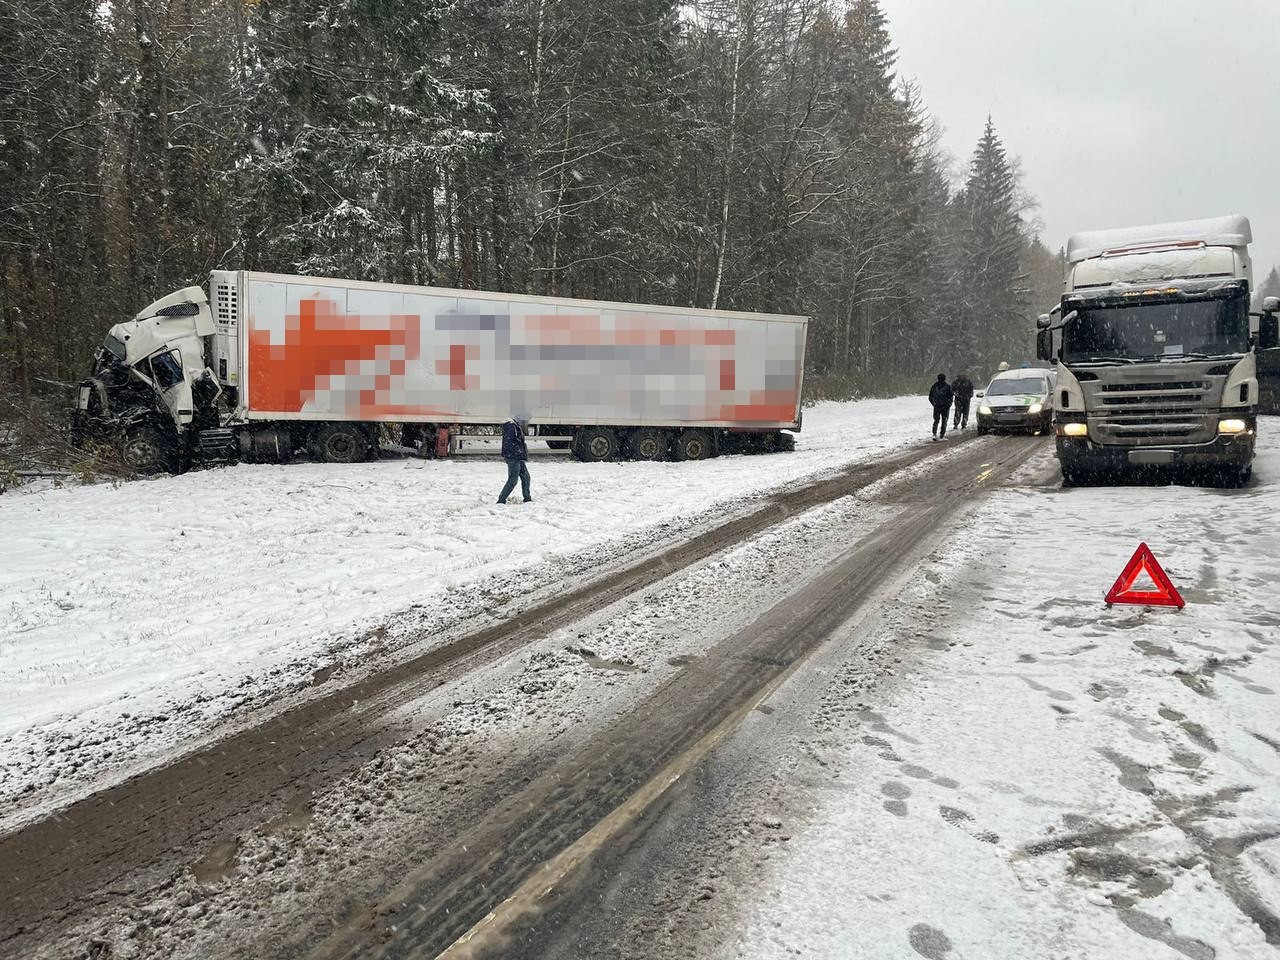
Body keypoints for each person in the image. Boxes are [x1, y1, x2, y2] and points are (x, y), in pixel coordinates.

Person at [497, 414, 532, 504]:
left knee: (526, 477)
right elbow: (508, 443)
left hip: (518, 456)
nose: (527, 422)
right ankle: (501, 500)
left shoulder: (516, 425)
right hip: (513, 457)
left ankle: (527, 498)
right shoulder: (511, 426)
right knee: (513, 480)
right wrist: (518, 452)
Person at [928, 374, 953, 441]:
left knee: (936, 420)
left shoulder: (934, 386)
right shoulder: (948, 386)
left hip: (937, 406)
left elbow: (930, 397)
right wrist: (949, 404)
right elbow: (951, 396)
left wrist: (934, 404)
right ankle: (942, 435)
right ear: (945, 378)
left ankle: (934, 434)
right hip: (945, 407)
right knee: (944, 421)